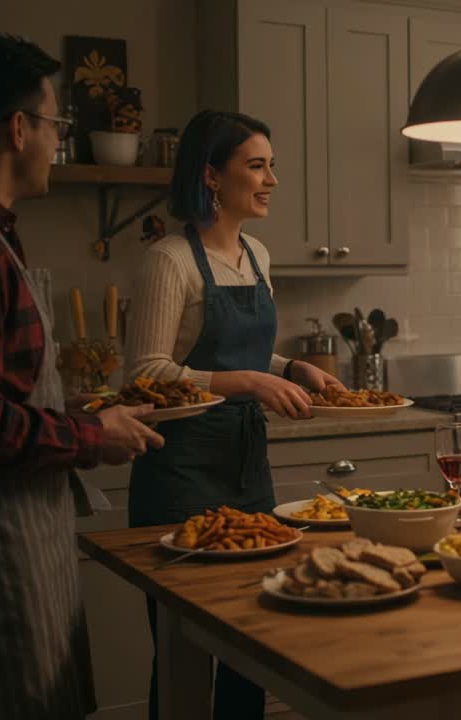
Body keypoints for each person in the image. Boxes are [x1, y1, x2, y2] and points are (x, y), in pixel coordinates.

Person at [0, 34, 163, 719]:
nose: (56, 142)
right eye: (56, 125)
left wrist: (66, 403)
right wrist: (88, 435)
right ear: (19, 129)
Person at [125, 109, 343, 720]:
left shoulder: (257, 255)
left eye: (272, 165)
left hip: (248, 470)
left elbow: (241, 352)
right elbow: (144, 375)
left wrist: (289, 368)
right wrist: (249, 381)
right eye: (256, 165)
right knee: (184, 648)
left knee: (255, 640)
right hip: (181, 472)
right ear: (212, 177)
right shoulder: (168, 259)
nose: (271, 179)